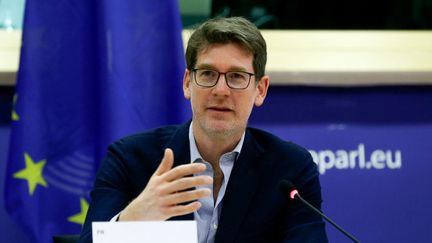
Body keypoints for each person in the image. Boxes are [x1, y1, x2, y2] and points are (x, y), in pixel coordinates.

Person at [79, 16, 328, 243]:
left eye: (237, 76)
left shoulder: (290, 169)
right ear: (188, 83)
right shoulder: (130, 159)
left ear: (260, 90)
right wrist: (132, 220)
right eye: (208, 74)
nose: (220, 90)